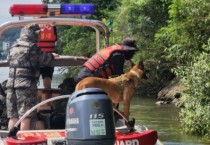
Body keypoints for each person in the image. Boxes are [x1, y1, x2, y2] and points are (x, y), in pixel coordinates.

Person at [6, 23, 59, 131]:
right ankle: (24, 141)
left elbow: (8, 60)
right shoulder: (32, 48)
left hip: (11, 86)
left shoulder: (13, 47)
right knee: (26, 116)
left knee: (13, 116)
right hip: (26, 86)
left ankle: (10, 140)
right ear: (34, 34)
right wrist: (52, 55)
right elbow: (45, 59)